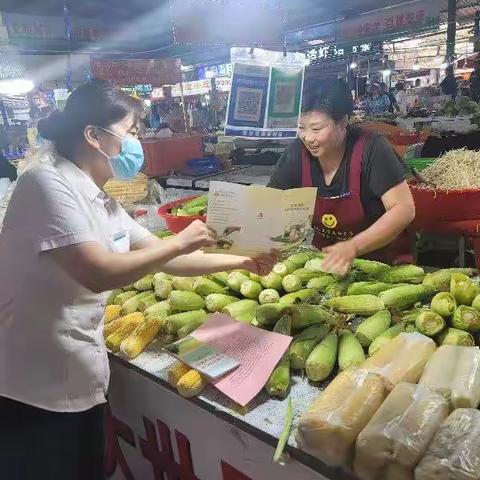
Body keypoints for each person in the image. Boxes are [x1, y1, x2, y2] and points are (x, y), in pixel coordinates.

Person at [0, 81, 276, 479]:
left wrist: (241, 261)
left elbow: (168, 262)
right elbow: (98, 273)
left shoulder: (104, 202)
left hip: (80, 374)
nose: (137, 143)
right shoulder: (45, 184)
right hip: (35, 386)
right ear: (93, 135)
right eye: (130, 132)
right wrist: (178, 243)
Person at [269, 79, 415, 276]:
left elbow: (403, 209)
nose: (307, 137)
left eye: (317, 128)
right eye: (301, 127)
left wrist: (353, 247)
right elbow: (269, 202)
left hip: (384, 266)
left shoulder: (371, 148)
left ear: (343, 122)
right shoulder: (297, 153)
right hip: (328, 266)